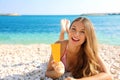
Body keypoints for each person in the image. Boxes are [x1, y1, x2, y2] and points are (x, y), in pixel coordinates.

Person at [45, 17, 112, 80]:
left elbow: (108, 75)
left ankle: (67, 29)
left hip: (68, 44)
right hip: (62, 49)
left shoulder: (89, 50)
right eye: (73, 29)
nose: (77, 34)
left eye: (82, 31)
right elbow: (48, 72)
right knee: (62, 42)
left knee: (73, 38)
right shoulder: (57, 45)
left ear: (87, 36)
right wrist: (58, 73)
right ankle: (63, 30)